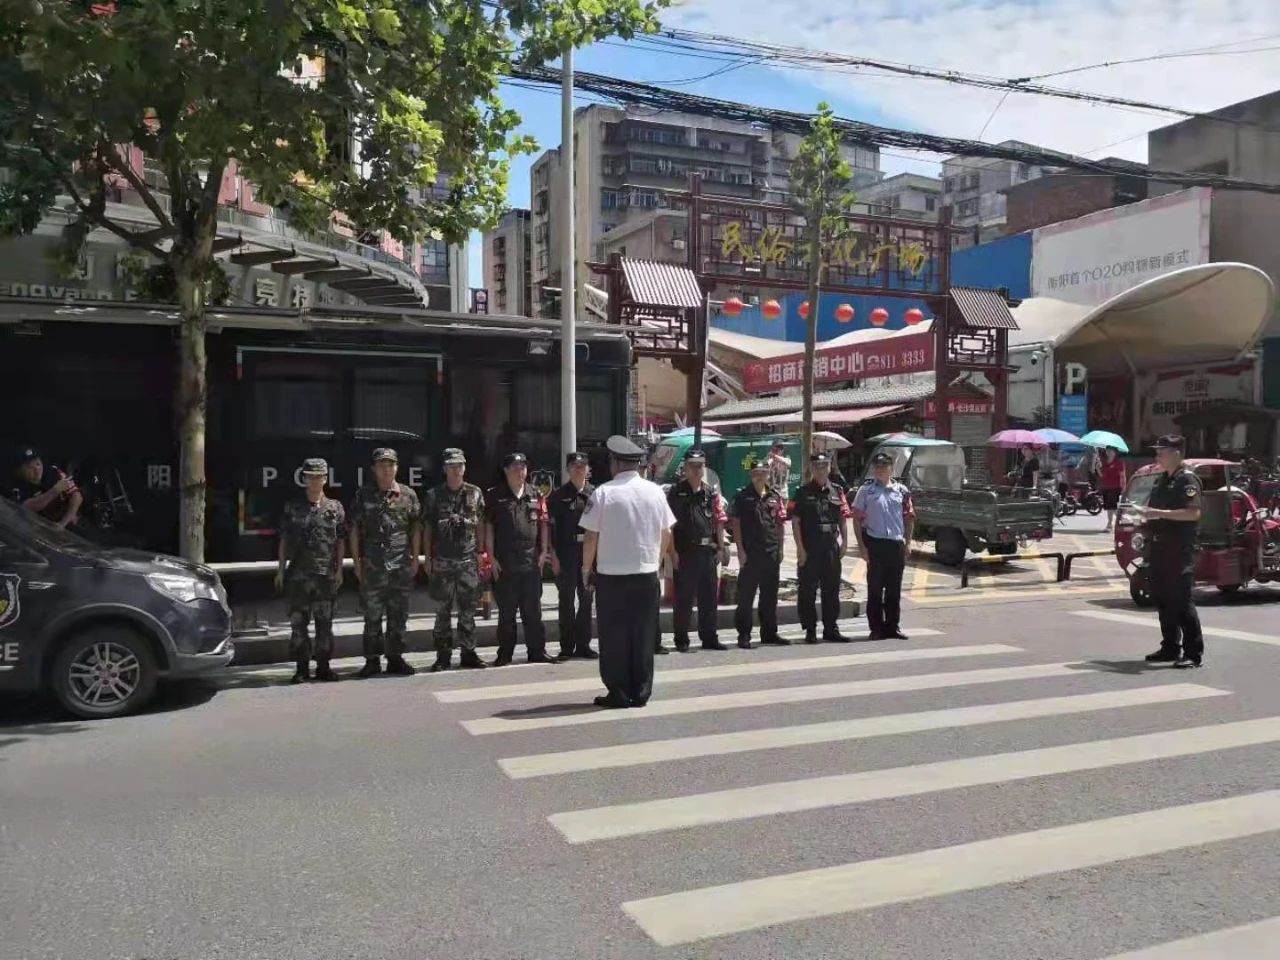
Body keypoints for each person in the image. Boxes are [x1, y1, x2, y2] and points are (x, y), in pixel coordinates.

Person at [579, 435, 676, 709]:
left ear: (615, 463)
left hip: (612, 577)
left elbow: (590, 538)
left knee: (614, 636)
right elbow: (666, 532)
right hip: (645, 575)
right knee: (643, 635)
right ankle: (641, 692)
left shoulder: (603, 493)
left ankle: (618, 692)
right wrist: (654, 562)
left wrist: (587, 569)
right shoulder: (655, 492)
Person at [348, 448, 421, 677]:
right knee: (372, 616)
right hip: (373, 567)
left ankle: (395, 658)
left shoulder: (408, 495)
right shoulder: (363, 495)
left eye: (390, 465)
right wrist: (357, 562)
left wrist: (416, 558)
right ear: (374, 469)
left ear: (397, 468)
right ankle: (372, 661)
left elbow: (416, 528)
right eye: (381, 465)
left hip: (400, 566)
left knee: (398, 615)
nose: (386, 469)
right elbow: (354, 530)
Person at [275, 458, 345, 683]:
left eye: (319, 476)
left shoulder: (335, 508)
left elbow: (340, 541)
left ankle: (323, 667)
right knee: (298, 625)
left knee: (325, 624)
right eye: (310, 476)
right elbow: (284, 540)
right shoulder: (292, 508)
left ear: (325, 479)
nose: (315, 480)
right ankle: (301, 669)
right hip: (298, 576)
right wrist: (280, 570)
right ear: (304, 479)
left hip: (325, 576)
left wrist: (340, 570)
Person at [1137, 435, 1204, 669]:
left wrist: (1159, 513)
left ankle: (1193, 653)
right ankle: (1170, 647)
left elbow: (1192, 513)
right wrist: (1144, 517)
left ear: (1176, 453)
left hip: (1178, 549)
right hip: (1159, 547)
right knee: (1162, 599)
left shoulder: (1187, 480)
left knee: (1181, 601)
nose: (1157, 456)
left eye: (1161, 452)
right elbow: (1156, 511)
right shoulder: (1161, 481)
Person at [485, 452, 556, 666]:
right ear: (506, 470)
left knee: (532, 612)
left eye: (523, 467)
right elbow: (488, 527)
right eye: (515, 467)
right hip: (505, 562)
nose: (520, 471)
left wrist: (543, 551)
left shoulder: (536, 494)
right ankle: (505, 654)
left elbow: (543, 523)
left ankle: (537, 651)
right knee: (507, 614)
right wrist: (490, 557)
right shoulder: (495, 495)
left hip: (530, 561)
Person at [421, 448, 487, 672]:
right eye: (451, 466)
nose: (456, 470)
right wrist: (427, 557)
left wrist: (481, 553)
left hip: (468, 560)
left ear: (464, 468)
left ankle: (468, 653)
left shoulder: (475, 493)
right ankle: (443, 656)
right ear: (444, 469)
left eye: (459, 466)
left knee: (468, 610)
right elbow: (427, 528)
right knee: (442, 612)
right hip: (442, 561)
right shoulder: (433, 495)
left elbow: (480, 525)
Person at [667, 449, 730, 652]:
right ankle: (681, 639)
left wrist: (721, 547)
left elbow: (718, 522)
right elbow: (669, 526)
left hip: (708, 552)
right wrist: (672, 552)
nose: (697, 469)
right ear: (685, 468)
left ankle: (709, 637)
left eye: (700, 465)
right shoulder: (676, 493)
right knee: (684, 599)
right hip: (685, 552)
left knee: (709, 599)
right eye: (693, 465)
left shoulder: (711, 493)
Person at [851, 452, 916, 641]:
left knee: (894, 589)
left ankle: (892, 627)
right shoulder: (866, 490)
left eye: (884, 467)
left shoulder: (902, 491)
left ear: (891, 469)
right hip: (875, 543)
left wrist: (908, 542)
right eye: (877, 467)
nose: (880, 470)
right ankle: (876, 628)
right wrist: (862, 547)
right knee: (875, 589)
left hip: (896, 544)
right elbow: (856, 520)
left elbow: (909, 519)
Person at [789, 453, 852, 644]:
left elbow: (842, 517)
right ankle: (810, 629)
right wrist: (800, 548)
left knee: (831, 589)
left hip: (830, 546)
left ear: (829, 468)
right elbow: (795, 521)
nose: (821, 470)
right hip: (810, 546)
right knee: (807, 590)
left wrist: (845, 542)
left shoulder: (837, 490)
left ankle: (831, 628)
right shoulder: (801, 492)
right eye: (817, 466)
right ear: (812, 469)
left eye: (824, 466)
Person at [730, 457, 788, 648]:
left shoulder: (774, 496)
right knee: (746, 596)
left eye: (763, 472)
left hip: (771, 552)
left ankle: (769, 633)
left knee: (770, 596)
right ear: (751, 475)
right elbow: (736, 523)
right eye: (756, 473)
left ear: (768, 474)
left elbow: (779, 523)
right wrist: (740, 550)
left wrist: (781, 548)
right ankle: (744, 635)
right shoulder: (743, 496)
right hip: (751, 553)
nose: (760, 476)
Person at [546, 452, 598, 661]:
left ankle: (584, 645)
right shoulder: (557, 496)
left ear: (588, 469)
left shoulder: (595, 495)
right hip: (566, 554)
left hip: (588, 554)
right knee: (566, 601)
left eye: (583, 465)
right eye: (575, 466)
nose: (579, 469)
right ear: (568, 469)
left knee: (586, 600)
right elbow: (549, 529)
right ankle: (567, 646)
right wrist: (553, 556)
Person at [8, 447, 82, 528]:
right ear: (21, 470)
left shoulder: (53, 472)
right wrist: (55, 490)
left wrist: (63, 523)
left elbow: (77, 495)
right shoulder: (18, 487)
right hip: (36, 527)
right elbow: (30, 506)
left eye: (38, 464)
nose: (37, 470)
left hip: (65, 524)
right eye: (30, 467)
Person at [1099, 446, 1127, 531]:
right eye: (1107, 451)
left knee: (1113, 507)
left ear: (1115, 453)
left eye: (1111, 451)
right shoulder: (1104, 463)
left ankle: (1119, 521)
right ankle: (1110, 524)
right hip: (1106, 487)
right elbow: (1102, 476)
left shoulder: (1119, 463)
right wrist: (1097, 468)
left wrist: (1124, 487)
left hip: (1115, 487)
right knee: (1108, 507)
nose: (1109, 453)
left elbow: (1122, 476)